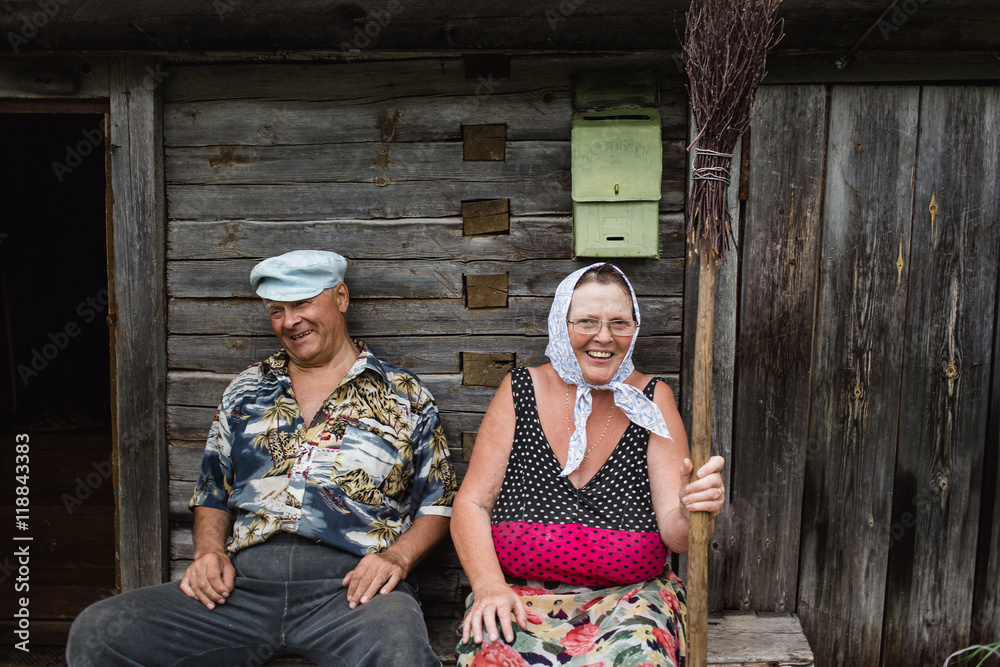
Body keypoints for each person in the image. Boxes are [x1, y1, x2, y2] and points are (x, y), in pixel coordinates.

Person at [67, 249, 457, 667]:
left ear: (340, 298)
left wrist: (396, 559)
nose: (290, 321)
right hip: (242, 589)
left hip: (353, 590)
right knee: (98, 632)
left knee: (400, 648)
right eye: (277, 311)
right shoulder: (246, 390)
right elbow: (213, 492)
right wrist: (208, 553)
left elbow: (439, 502)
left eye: (303, 303)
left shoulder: (403, 394)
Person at [451, 262, 726, 666]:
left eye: (619, 323)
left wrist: (691, 511)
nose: (603, 337)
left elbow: (678, 536)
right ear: (561, 323)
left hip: (629, 602)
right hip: (517, 595)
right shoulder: (520, 389)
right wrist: (489, 585)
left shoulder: (652, 399)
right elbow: (471, 504)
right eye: (587, 322)